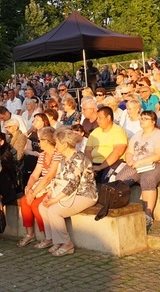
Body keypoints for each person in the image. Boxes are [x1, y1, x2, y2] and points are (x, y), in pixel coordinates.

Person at [38, 128, 98, 256]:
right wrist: (50, 194)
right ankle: (54, 240)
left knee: (54, 210)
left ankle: (67, 243)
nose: (55, 146)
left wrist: (55, 200)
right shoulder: (64, 158)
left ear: (65, 144)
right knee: (43, 207)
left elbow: (72, 184)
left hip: (85, 194)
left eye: (57, 143)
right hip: (69, 192)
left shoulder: (78, 158)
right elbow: (58, 178)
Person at [114, 110, 160, 230]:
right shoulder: (137, 134)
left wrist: (138, 162)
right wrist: (130, 161)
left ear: (153, 122)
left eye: (145, 119)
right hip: (139, 164)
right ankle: (124, 210)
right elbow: (130, 151)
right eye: (141, 118)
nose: (142, 121)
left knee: (148, 178)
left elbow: (159, 155)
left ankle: (148, 215)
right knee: (121, 178)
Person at [17, 127, 60, 248]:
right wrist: (29, 187)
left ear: (46, 141)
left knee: (37, 205)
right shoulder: (42, 156)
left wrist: (34, 192)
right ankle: (30, 234)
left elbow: (49, 176)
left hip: (53, 185)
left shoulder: (58, 155)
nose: (38, 143)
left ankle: (48, 236)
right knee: (24, 201)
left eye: (40, 140)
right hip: (42, 185)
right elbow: (35, 174)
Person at [85, 106, 127, 182]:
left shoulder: (118, 131)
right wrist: (90, 165)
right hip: (94, 163)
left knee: (106, 180)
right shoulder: (95, 132)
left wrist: (100, 167)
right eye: (97, 118)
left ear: (108, 117)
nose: (97, 120)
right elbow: (88, 150)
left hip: (112, 163)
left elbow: (118, 152)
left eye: (100, 118)